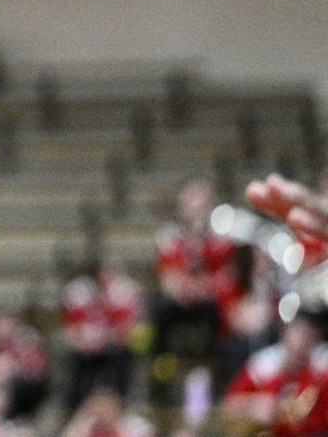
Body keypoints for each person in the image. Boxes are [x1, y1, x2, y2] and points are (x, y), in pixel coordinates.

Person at [154, 178, 239, 366]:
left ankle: (212, 365)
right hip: (180, 299)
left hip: (211, 300)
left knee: (220, 314)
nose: (195, 207)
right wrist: (183, 289)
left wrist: (203, 288)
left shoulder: (221, 237)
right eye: (190, 201)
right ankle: (163, 364)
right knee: (158, 308)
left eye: (200, 201)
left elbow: (227, 275)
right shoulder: (171, 236)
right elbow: (167, 275)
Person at [220, 318, 328, 437]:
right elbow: (227, 406)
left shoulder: (321, 373)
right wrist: (254, 404)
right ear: (284, 338)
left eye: (307, 339)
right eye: (296, 337)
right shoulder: (263, 368)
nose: (299, 346)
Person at [61, 261, 143, 409]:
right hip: (84, 347)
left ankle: (118, 403)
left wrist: (105, 340)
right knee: (74, 363)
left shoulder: (121, 293)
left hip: (112, 347)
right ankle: (75, 407)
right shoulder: (79, 293)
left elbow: (127, 327)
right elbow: (70, 327)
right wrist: (83, 342)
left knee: (123, 356)